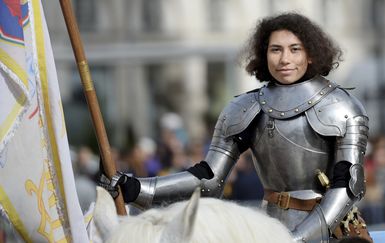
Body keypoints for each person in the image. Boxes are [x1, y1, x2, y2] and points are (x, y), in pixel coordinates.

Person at [99, 12, 371, 242]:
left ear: (310, 55)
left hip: (331, 229)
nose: (284, 59)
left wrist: (297, 239)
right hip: (268, 226)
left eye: (294, 49)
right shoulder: (245, 107)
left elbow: (348, 186)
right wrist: (138, 187)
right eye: (275, 49)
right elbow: (208, 178)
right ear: (264, 56)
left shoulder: (342, 107)